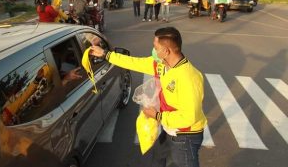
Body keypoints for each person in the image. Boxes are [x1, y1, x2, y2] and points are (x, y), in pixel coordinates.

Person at [89, 27, 207, 167]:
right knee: (157, 160)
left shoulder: (189, 78)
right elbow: (135, 62)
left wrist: (157, 115)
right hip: (169, 129)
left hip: (185, 136)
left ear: (166, 51)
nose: (153, 51)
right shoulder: (163, 65)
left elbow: (188, 117)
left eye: (155, 47)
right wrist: (106, 55)